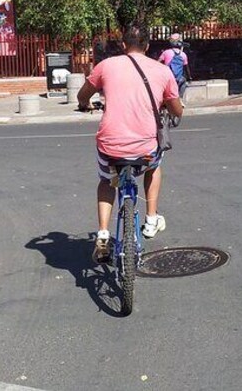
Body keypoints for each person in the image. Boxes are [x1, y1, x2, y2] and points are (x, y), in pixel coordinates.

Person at [77, 25, 184, 263]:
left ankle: (103, 233)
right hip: (145, 149)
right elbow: (177, 110)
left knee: (107, 180)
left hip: (110, 147)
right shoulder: (162, 71)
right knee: (155, 166)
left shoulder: (106, 66)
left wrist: (86, 105)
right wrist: (167, 105)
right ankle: (152, 219)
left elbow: (82, 96)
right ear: (147, 46)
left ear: (123, 45)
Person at [158, 33, 192, 99]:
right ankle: (180, 99)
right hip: (179, 78)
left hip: (167, 78)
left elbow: (157, 63)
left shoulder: (166, 52)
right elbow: (186, 68)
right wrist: (189, 78)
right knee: (183, 81)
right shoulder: (183, 54)